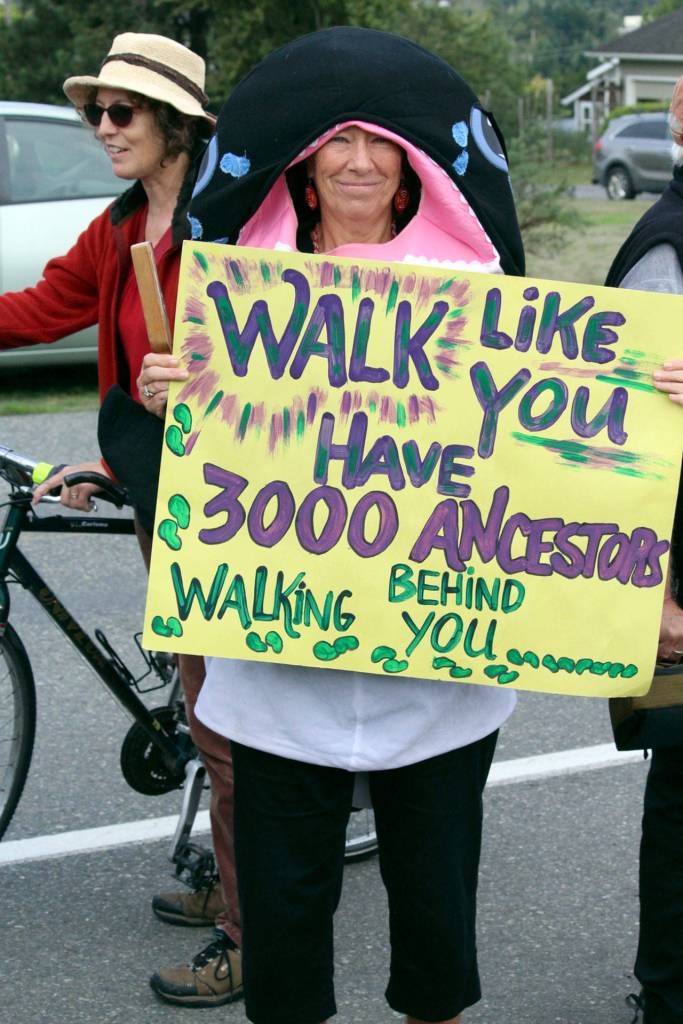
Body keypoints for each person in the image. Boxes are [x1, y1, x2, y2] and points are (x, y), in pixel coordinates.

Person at [139, 26, 524, 1024]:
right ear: (302, 168)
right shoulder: (237, 300)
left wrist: (650, 395)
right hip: (278, 693)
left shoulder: (482, 299)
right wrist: (168, 392)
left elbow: (554, 441)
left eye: (381, 143)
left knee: (437, 929)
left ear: (412, 171)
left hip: (439, 687)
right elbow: (202, 446)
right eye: (337, 142)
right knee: (283, 929)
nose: (359, 160)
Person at [0, 32, 242, 1008]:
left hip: (233, 509)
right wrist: (115, 455)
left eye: (122, 111)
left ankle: (248, 928)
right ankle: (236, 878)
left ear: (175, 122)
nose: (103, 126)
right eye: (96, 110)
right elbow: (43, 306)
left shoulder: (232, 229)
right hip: (159, 491)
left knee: (227, 725)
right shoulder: (120, 228)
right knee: (209, 709)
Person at [605, 78, 683, 1024]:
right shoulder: (663, 252)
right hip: (672, 578)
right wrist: (649, 593)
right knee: (682, 792)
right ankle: (665, 997)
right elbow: (611, 449)